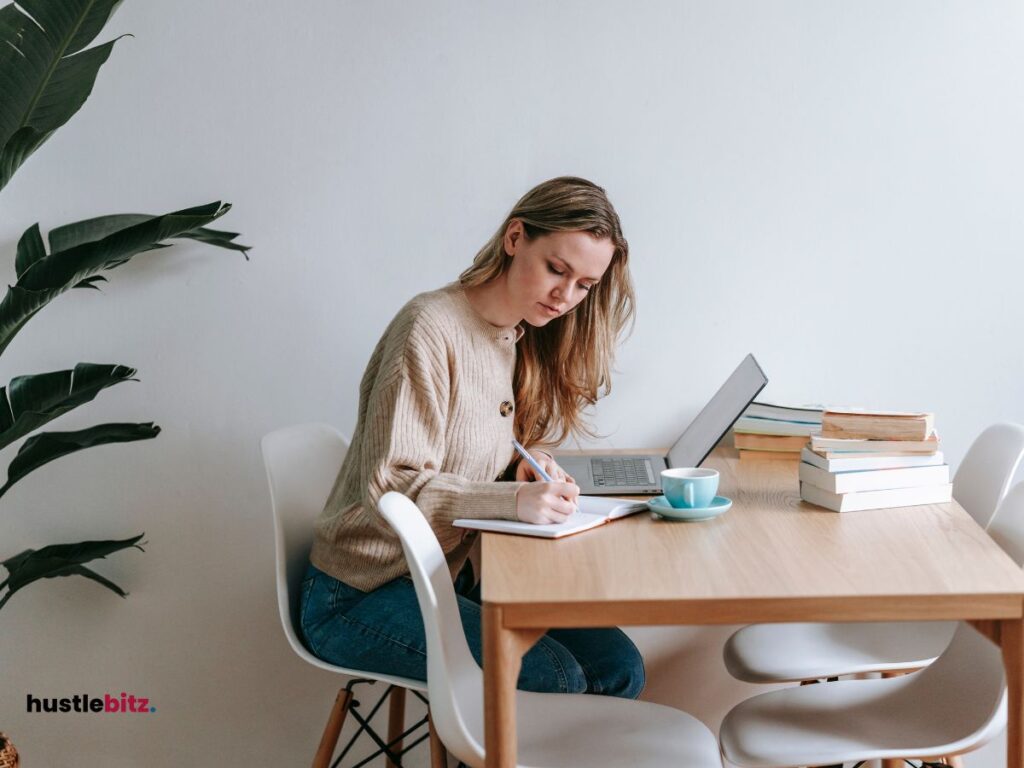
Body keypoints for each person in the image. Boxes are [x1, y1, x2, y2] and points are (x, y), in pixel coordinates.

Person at [301, 176, 643, 698]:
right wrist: (512, 499)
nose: (566, 296)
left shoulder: (512, 335)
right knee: (553, 675)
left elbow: (466, 447)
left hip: (445, 576)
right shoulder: (429, 329)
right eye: (557, 269)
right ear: (515, 238)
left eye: (585, 285)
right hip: (360, 592)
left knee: (619, 666)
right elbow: (390, 487)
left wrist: (523, 467)